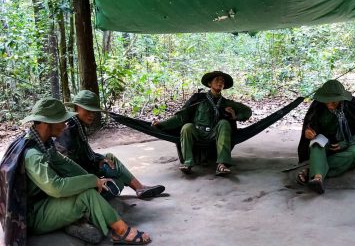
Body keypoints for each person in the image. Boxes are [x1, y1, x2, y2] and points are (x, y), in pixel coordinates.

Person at [0, 97, 151, 245]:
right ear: (47, 123)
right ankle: (121, 231)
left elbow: (65, 163)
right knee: (87, 195)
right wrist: (91, 180)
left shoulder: (43, 143)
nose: (65, 125)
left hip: (45, 202)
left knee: (89, 190)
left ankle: (81, 222)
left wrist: (91, 179)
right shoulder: (33, 154)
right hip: (32, 215)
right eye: (62, 120)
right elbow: (57, 188)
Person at [55, 90, 165, 199]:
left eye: (93, 111)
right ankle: (138, 188)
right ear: (76, 108)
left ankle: (140, 188)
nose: (91, 115)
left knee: (109, 158)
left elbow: (85, 152)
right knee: (118, 184)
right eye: (87, 110)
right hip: (81, 182)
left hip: (88, 171)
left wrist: (100, 159)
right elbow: (72, 166)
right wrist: (96, 178)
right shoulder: (69, 129)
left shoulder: (78, 124)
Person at [153, 71, 252, 175]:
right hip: (197, 132)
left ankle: (222, 164)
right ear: (210, 84)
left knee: (224, 123)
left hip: (215, 133)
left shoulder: (225, 102)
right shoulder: (198, 99)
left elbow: (247, 111)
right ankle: (188, 163)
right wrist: (162, 124)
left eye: (222, 81)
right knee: (187, 127)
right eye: (217, 80)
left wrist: (235, 116)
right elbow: (181, 116)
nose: (220, 82)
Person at [297, 80, 355, 194]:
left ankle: (313, 171)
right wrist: (308, 131)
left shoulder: (353, 105)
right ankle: (318, 178)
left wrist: (347, 142)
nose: (330, 106)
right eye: (326, 102)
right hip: (325, 141)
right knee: (316, 145)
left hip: (351, 141)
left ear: (342, 98)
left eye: (334, 102)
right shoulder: (317, 105)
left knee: (354, 154)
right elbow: (310, 125)